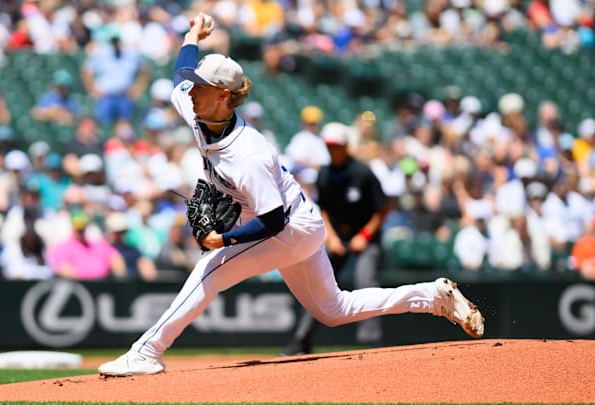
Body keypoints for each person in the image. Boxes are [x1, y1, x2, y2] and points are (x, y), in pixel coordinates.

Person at [97, 13, 485, 377]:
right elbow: (180, 72)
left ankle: (146, 352)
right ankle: (432, 297)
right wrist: (191, 39)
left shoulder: (249, 154)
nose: (190, 90)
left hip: (290, 227)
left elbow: (273, 221)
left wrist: (226, 239)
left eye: (201, 86)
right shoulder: (198, 106)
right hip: (302, 222)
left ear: (223, 95)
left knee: (210, 271)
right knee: (334, 309)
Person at [280, 121, 395, 356]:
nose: (332, 150)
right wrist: (330, 237)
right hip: (337, 237)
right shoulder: (325, 173)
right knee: (317, 287)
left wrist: (363, 235)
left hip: (365, 238)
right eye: (329, 146)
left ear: (346, 146)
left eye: (336, 146)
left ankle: (375, 342)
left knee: (366, 282)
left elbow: (384, 207)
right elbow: (322, 209)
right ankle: (302, 341)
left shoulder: (362, 172)